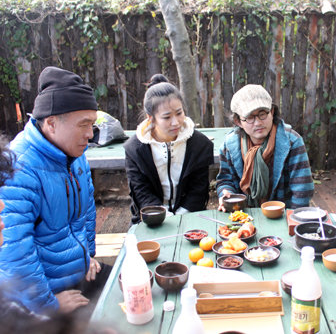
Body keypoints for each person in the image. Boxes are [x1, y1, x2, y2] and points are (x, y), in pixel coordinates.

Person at [0, 66, 110, 315]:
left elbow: (86, 211)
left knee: (138, 286)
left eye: (92, 124)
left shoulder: (75, 153)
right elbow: (14, 252)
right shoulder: (19, 168)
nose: (90, 134)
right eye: (84, 125)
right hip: (45, 295)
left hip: (80, 271)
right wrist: (48, 305)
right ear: (50, 123)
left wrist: (89, 257)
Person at [124, 74, 214, 223]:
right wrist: (165, 218)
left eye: (179, 113)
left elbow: (198, 190)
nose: (175, 122)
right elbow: (141, 192)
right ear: (150, 117)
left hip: (190, 216)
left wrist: (181, 217)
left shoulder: (200, 145)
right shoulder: (135, 150)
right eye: (166, 117)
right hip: (151, 217)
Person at [216, 84, 314, 211]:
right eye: (250, 117)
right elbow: (225, 180)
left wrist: (292, 221)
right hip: (244, 215)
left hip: (283, 215)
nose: (258, 123)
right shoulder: (229, 146)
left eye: (262, 114)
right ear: (238, 121)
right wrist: (225, 193)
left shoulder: (292, 142)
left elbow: (302, 190)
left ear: (272, 112)